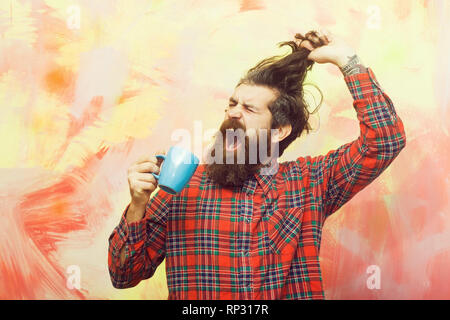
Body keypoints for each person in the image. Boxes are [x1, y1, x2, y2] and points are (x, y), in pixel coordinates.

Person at [108, 30, 406, 299]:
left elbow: (385, 141)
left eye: (249, 108)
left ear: (278, 131)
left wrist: (347, 60)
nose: (233, 114)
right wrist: (137, 205)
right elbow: (123, 276)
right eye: (232, 104)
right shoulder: (184, 186)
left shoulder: (309, 182)